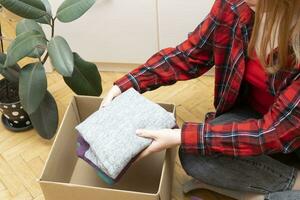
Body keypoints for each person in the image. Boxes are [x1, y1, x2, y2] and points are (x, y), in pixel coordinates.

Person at [100, 0, 300, 199]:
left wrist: (179, 136)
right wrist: (126, 85)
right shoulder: (235, 6)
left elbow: (274, 131)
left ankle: (276, 189)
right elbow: (190, 55)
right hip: (256, 118)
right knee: (193, 154)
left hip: (289, 135)